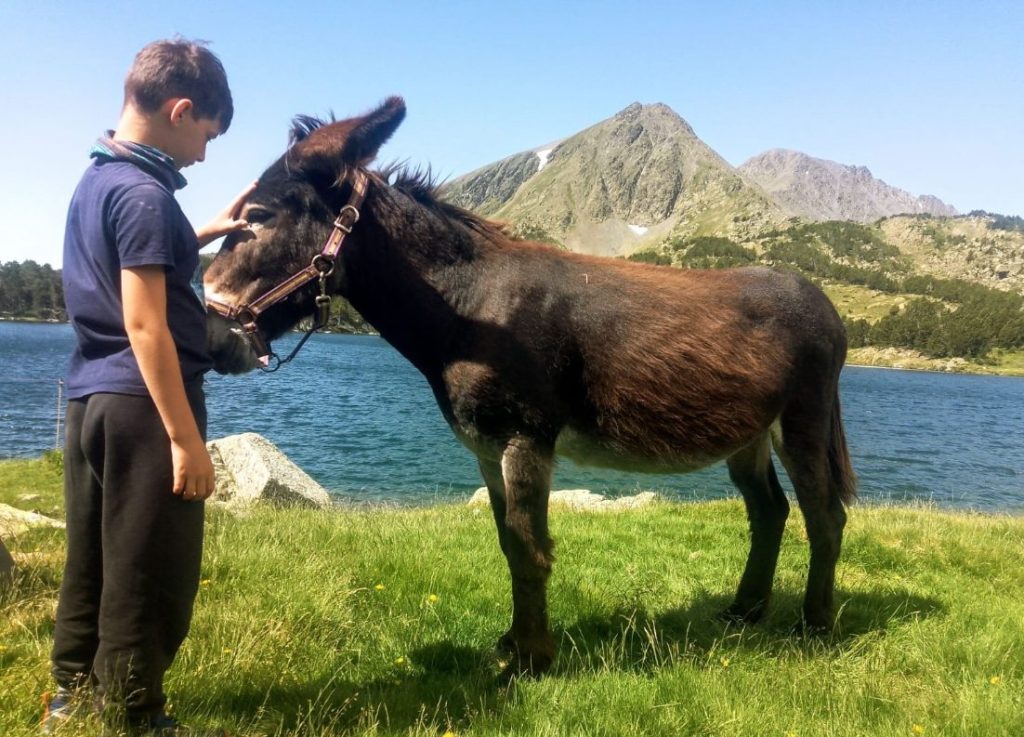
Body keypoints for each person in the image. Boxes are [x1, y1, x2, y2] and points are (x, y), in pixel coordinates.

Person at [42, 39, 255, 735]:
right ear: (181, 108)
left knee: (96, 553)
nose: (203, 152)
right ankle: (135, 712)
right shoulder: (144, 195)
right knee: (152, 567)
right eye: (206, 134)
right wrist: (185, 439)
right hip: (144, 406)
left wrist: (200, 230)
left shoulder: (101, 180)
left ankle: (71, 690)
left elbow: (132, 259)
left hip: (89, 401)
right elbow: (146, 322)